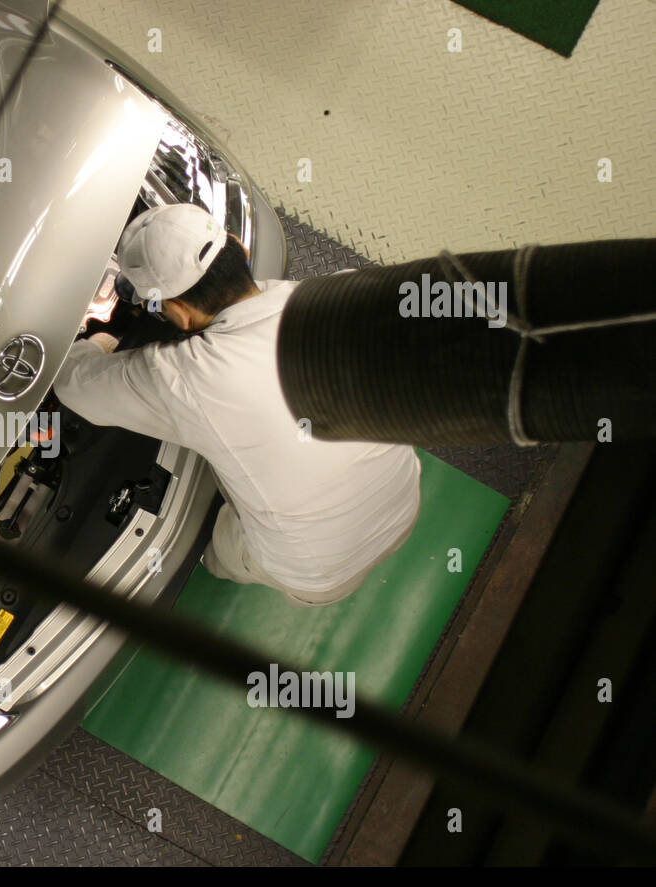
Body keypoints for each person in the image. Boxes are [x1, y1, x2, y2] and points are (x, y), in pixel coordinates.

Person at [54, 203, 421, 607]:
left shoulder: (186, 377)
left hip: (321, 576)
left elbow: (73, 386)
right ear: (238, 249)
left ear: (176, 311)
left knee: (221, 553)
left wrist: (96, 343)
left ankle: (228, 565)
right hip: (404, 507)